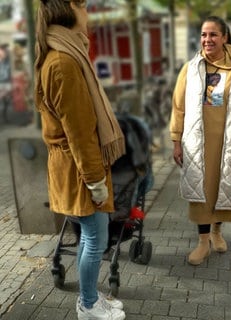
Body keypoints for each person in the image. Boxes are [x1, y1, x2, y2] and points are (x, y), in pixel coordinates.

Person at [34, 1, 126, 319]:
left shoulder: (64, 52)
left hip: (76, 164)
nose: (88, 14)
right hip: (79, 168)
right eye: (83, 6)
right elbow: (80, 132)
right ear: (69, 9)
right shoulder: (63, 61)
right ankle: (87, 304)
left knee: (93, 235)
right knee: (94, 237)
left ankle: (90, 296)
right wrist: (95, 180)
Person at [169, 15, 231, 266]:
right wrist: (176, 140)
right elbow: (178, 106)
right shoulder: (191, 68)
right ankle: (203, 241)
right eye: (203, 35)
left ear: (225, 37)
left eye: (213, 35)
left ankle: (217, 231)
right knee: (202, 190)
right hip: (198, 141)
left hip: (229, 140)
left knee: (223, 186)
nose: (207, 40)